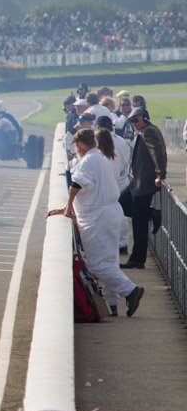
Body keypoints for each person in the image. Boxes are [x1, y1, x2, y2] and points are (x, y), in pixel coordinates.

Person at [64, 128, 144, 317]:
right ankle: (112, 302)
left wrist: (68, 207)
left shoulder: (88, 161)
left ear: (79, 145)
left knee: (96, 263)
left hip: (97, 216)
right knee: (110, 260)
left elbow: (77, 184)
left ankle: (130, 290)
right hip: (111, 212)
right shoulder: (100, 157)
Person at [123, 107, 167, 270]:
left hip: (144, 183)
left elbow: (158, 153)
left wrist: (160, 174)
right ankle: (152, 213)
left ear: (145, 118)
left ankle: (137, 259)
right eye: (132, 121)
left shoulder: (149, 131)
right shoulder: (145, 130)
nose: (134, 123)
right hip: (138, 181)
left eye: (136, 120)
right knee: (122, 203)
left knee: (139, 222)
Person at [96, 116, 131, 255]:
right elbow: (127, 159)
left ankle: (111, 244)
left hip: (109, 182)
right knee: (121, 215)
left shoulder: (99, 140)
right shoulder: (121, 140)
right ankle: (122, 244)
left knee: (107, 214)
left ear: (98, 127)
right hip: (123, 179)